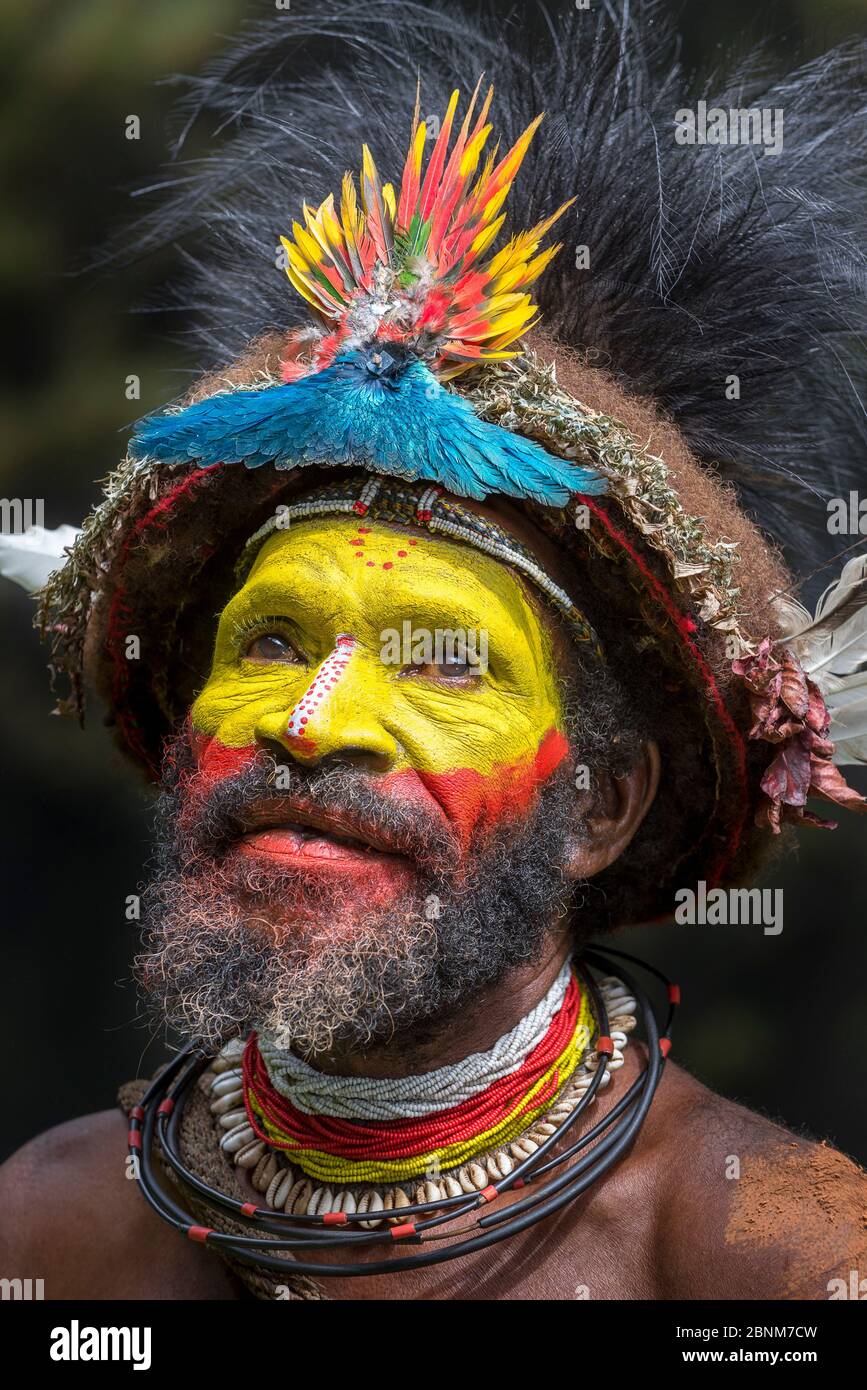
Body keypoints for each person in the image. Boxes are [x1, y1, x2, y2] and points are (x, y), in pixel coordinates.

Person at [2, 1, 866, 1301]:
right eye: (273, 639)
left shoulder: (775, 1255)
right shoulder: (51, 1237)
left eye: (442, 660)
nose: (314, 718)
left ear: (602, 803)